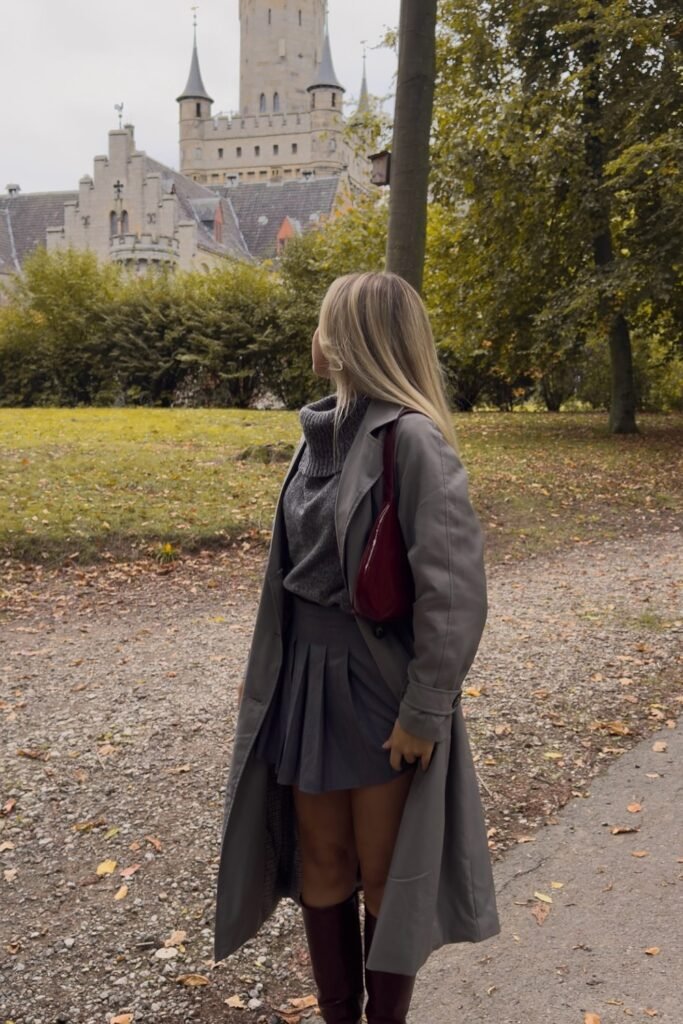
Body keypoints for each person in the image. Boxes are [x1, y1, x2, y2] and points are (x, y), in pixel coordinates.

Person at [213, 271, 500, 1024]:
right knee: (324, 861)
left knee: (382, 873)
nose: (314, 334)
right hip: (303, 680)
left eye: (324, 321)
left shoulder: (414, 440)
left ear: (351, 339)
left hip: (377, 684)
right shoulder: (317, 434)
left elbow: (454, 593)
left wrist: (424, 711)